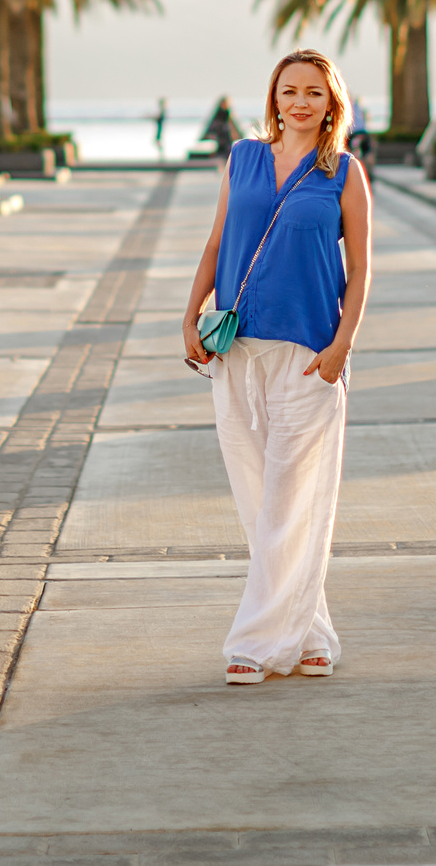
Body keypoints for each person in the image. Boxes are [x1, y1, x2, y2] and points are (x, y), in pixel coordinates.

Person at [180, 48, 374, 685]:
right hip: (236, 349)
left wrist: (342, 345)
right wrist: (189, 316)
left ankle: (255, 644)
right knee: (262, 498)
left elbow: (362, 269)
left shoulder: (345, 173)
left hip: (309, 356)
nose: (299, 101)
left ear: (331, 103)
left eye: (313, 93)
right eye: (289, 90)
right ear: (274, 98)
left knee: (296, 496)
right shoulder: (242, 158)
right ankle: (311, 631)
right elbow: (216, 243)